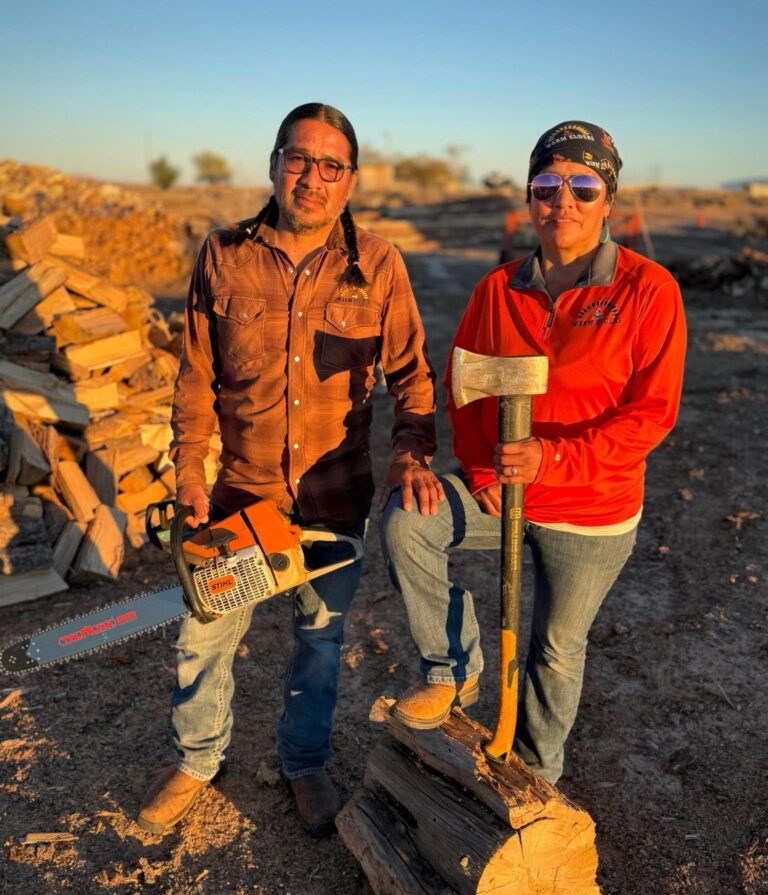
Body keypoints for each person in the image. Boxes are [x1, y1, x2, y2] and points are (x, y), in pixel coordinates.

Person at [138, 103, 444, 837]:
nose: (312, 177)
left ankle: (304, 761)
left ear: (351, 180)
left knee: (321, 637)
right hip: (241, 495)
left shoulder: (378, 265)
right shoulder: (224, 254)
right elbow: (195, 379)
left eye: (330, 165)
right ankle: (198, 757)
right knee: (205, 635)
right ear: (274, 165)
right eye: (299, 159)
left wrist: (411, 452)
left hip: (335, 500)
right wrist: (187, 473)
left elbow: (414, 377)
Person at [381, 121, 686, 785]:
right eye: (547, 185)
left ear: (609, 199)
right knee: (410, 521)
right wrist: (485, 471)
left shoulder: (648, 289)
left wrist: (554, 460)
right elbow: (462, 391)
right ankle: (452, 674)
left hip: (591, 510)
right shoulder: (498, 290)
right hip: (504, 495)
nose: (563, 201)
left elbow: (653, 413)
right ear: (529, 198)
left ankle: (538, 776)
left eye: (584, 185)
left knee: (553, 647)